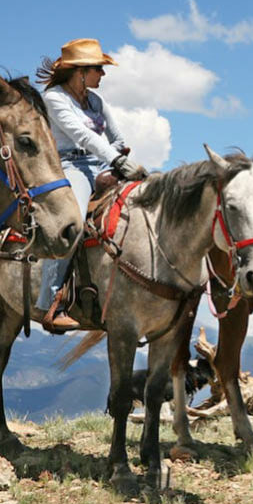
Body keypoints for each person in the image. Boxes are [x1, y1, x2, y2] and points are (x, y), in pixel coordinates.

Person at [34, 39, 147, 332]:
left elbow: (118, 139)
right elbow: (82, 137)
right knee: (70, 222)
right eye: (98, 68)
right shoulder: (55, 98)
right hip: (68, 166)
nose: (103, 75)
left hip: (102, 164)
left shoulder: (96, 102)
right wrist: (116, 162)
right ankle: (51, 302)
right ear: (80, 72)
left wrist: (114, 163)